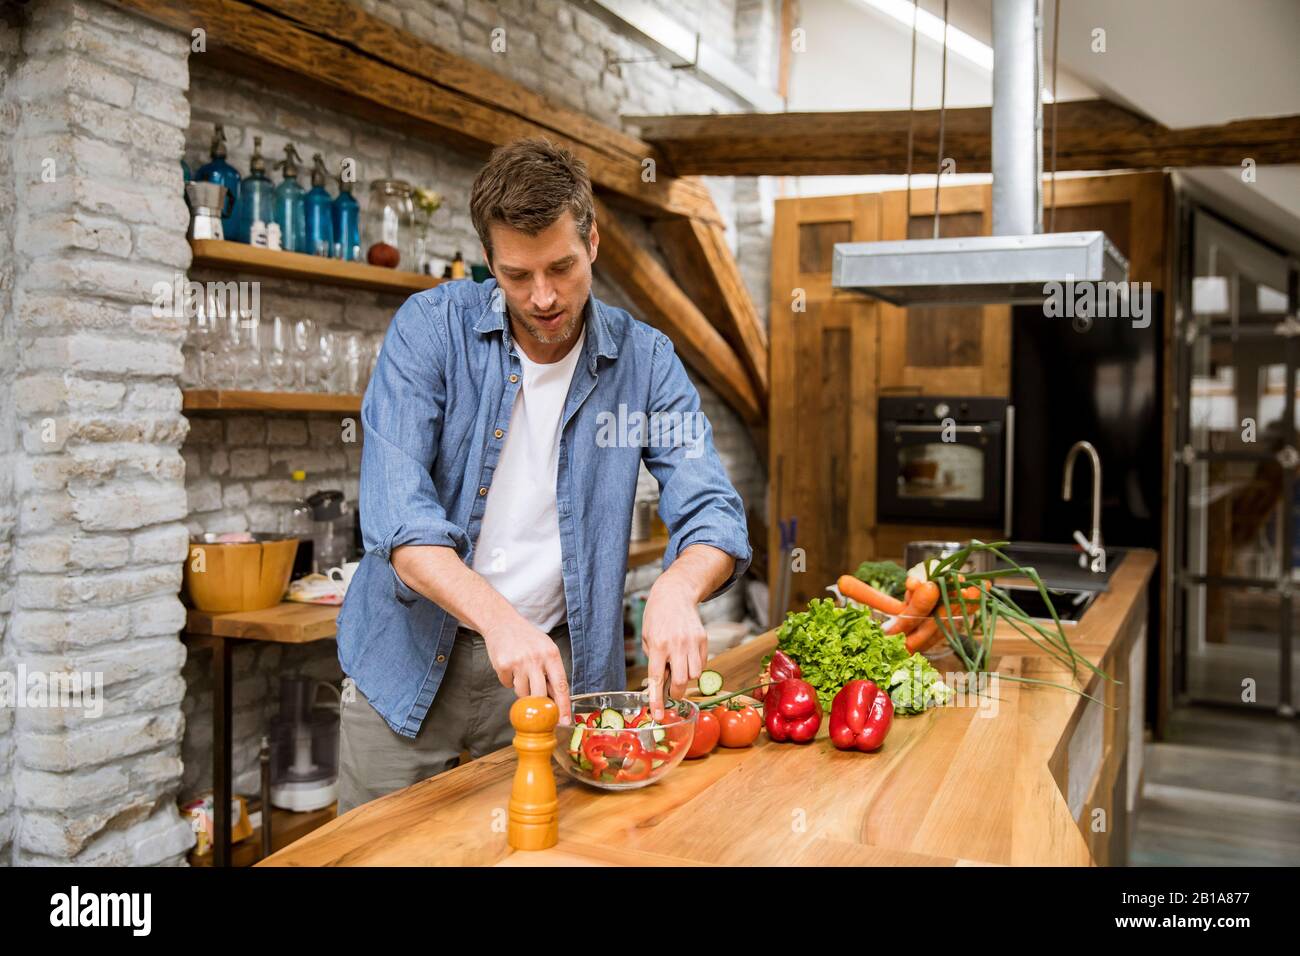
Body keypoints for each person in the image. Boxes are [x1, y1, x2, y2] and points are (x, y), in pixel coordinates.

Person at [334, 138, 751, 813]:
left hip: (558, 677)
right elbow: (400, 524)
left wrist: (679, 586)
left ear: (592, 240)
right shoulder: (429, 331)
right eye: (517, 276)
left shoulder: (645, 363)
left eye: (561, 267)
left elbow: (712, 510)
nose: (544, 297)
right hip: (404, 663)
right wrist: (500, 620)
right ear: (488, 263)